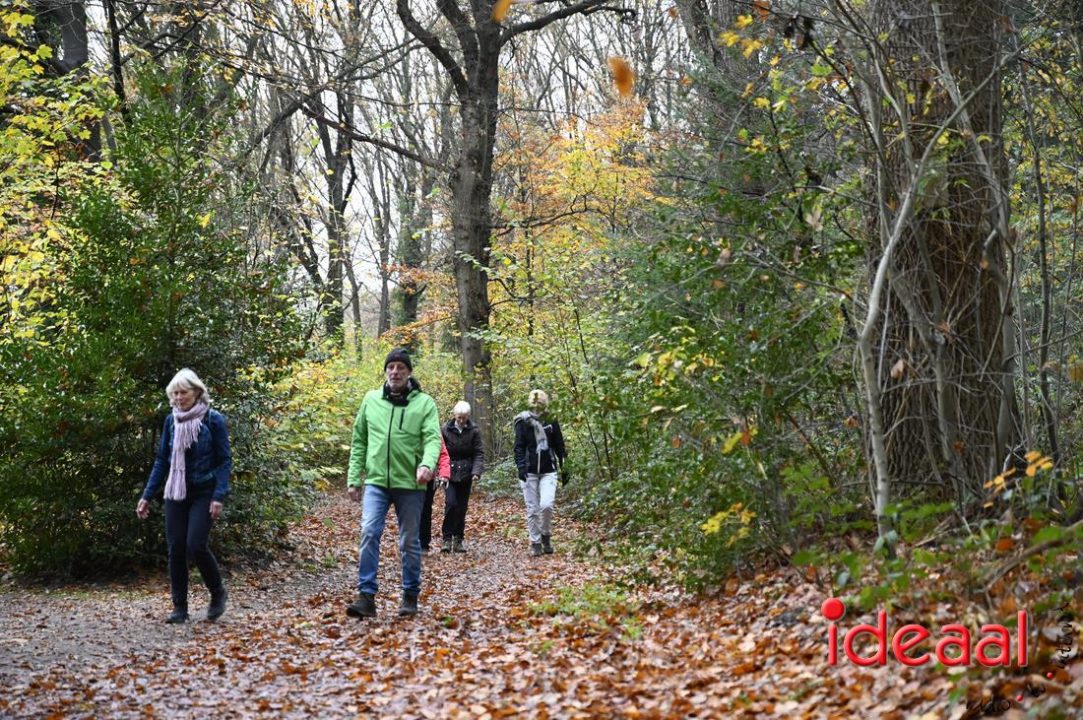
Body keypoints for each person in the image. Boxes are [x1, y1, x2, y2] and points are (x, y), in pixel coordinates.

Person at [345, 348, 441, 618]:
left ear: (409, 372)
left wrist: (427, 464)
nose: (395, 372)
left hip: (410, 484)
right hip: (376, 481)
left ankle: (410, 595)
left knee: (409, 541)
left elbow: (433, 439)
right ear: (385, 371)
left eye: (400, 367)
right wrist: (354, 477)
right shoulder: (371, 400)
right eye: (391, 367)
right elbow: (359, 440)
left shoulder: (425, 404)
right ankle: (366, 597)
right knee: (369, 532)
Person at [136, 369, 232, 624]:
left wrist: (219, 495)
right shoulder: (171, 421)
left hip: (204, 491)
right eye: (175, 393)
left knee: (195, 544)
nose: (178, 398)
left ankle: (217, 592)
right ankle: (180, 607)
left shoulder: (213, 420)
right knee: (176, 547)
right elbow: (162, 460)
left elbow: (224, 461)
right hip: (176, 491)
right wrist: (147, 495)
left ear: (197, 392)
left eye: (183, 392)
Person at [513, 389, 567, 557]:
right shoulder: (522, 421)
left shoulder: (551, 420)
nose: (538, 408)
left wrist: (565, 467)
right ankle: (535, 542)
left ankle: (546, 535)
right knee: (533, 509)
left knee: (546, 505)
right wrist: (521, 467)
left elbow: (559, 445)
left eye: (541, 405)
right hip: (529, 471)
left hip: (548, 469)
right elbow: (519, 447)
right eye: (535, 405)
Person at [440, 401, 484, 553]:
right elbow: (441, 451)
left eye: (464, 417)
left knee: (461, 507)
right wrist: (441, 472)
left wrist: (476, 472)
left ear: (468, 416)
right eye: (459, 417)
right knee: (451, 503)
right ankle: (446, 538)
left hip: (466, 473)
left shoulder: (474, 430)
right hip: (449, 473)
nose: (461, 420)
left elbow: (478, 452)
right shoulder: (445, 429)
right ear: (455, 415)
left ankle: (458, 539)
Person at [419, 437, 451, 554]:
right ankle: (409, 542)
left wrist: (444, 474)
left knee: (425, 510)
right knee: (408, 510)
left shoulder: (433, 430)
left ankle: (423, 544)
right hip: (407, 476)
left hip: (428, 477)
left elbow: (442, 454)